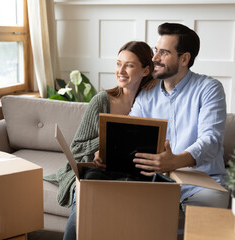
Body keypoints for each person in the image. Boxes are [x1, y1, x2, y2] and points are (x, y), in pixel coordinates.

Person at [44, 41, 156, 240]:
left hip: (133, 174)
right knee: (85, 198)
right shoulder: (102, 101)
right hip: (94, 171)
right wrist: (108, 138)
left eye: (129, 65)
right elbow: (76, 148)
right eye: (118, 63)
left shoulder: (154, 103)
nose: (120, 70)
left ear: (146, 70)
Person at [128, 22, 230, 213]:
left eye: (164, 53)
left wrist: (175, 161)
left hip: (203, 183)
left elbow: (211, 140)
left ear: (184, 59)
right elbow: (130, 132)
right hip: (156, 183)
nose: (154, 58)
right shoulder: (146, 94)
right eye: (155, 50)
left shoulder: (209, 88)